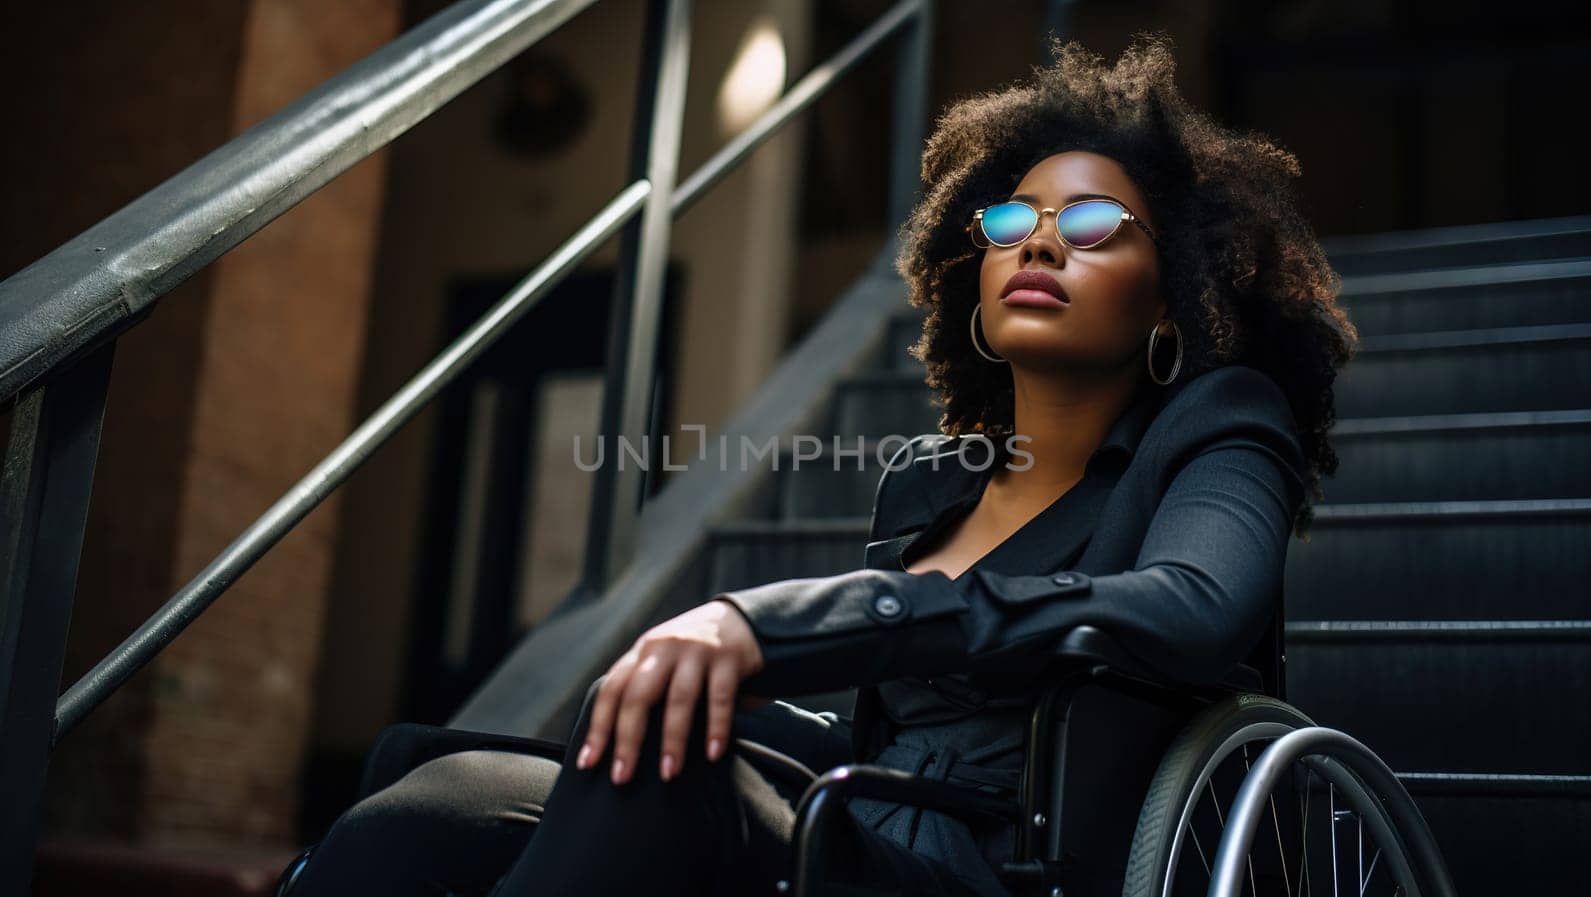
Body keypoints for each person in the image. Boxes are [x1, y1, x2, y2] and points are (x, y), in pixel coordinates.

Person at [285, 32, 1355, 897]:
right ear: (973, 274)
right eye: (1012, 219)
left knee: (661, 794)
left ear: (1171, 293)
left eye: (1088, 222)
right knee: (443, 786)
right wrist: (704, 690)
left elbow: (1187, 606)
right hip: (860, 823)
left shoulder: (1219, 424)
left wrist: (770, 625)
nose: (1038, 242)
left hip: (1012, 870)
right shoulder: (930, 483)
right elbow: (882, 729)